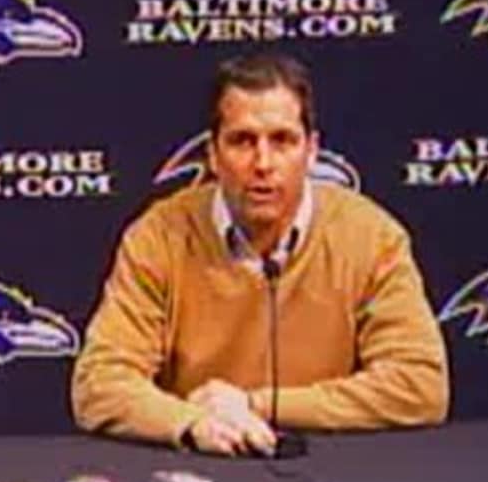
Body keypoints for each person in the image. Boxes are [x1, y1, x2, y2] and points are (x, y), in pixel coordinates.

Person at [71, 52, 448, 456]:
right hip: (200, 472)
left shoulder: (372, 237)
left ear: (312, 151)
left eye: (282, 141)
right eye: (242, 141)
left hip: (330, 476)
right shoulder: (159, 237)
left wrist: (257, 404)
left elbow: (419, 385)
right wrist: (194, 422)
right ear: (213, 154)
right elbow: (100, 383)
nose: (263, 163)